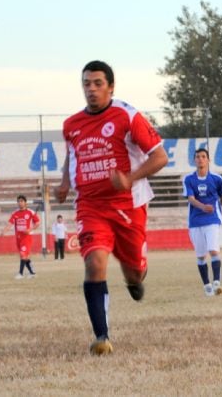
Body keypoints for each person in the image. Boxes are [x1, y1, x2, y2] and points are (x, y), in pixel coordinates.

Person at [56, 60, 168, 355]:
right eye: (86, 84)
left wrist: (129, 179)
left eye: (97, 84)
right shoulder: (71, 125)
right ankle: (101, 336)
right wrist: (65, 182)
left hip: (128, 206)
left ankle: (135, 278)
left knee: (134, 273)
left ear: (111, 86)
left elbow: (160, 157)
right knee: (94, 264)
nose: (91, 90)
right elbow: (72, 156)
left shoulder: (128, 116)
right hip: (90, 206)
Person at [182, 148, 222, 297]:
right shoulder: (189, 179)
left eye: (203, 156)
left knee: (213, 250)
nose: (200, 159)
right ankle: (207, 285)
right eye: (197, 157)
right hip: (195, 221)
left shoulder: (216, 179)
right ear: (194, 160)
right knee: (201, 256)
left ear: (208, 160)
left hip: (213, 220)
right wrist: (203, 207)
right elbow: (190, 198)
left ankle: (216, 281)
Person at [1, 195, 40, 278]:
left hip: (27, 237)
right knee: (24, 256)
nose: (20, 203)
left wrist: (30, 229)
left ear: (25, 202)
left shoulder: (30, 212)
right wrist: (4, 231)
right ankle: (32, 273)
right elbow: (10, 223)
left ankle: (20, 273)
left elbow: (37, 223)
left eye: (22, 201)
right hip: (18, 238)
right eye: (18, 201)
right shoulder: (15, 213)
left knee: (23, 255)